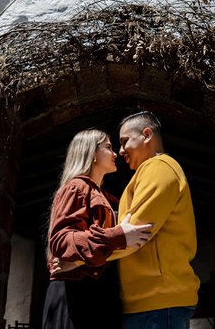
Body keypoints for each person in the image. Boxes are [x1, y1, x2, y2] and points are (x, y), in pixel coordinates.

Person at [53, 112, 200, 328]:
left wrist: (76, 259)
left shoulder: (157, 167)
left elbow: (136, 233)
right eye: (111, 147)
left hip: (157, 301)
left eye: (123, 142)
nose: (119, 152)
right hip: (146, 302)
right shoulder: (82, 188)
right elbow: (124, 234)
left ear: (147, 135)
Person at [45, 128, 154, 329]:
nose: (115, 154)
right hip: (77, 295)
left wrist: (79, 262)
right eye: (108, 147)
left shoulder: (105, 196)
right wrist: (118, 235)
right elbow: (61, 242)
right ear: (92, 154)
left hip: (97, 292)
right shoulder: (76, 187)